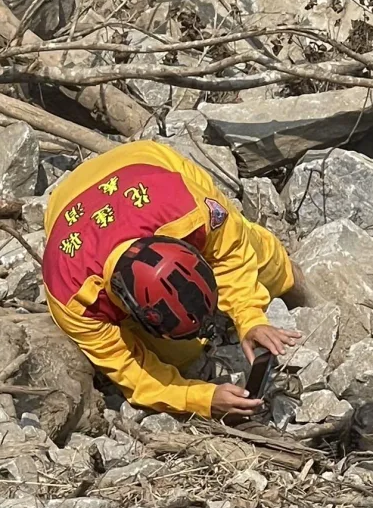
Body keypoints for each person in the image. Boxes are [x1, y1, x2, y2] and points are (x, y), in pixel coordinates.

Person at [41, 140, 307, 418]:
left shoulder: (189, 210)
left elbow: (232, 249)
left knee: (263, 259)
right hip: (65, 204)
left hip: (146, 162)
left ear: (190, 248)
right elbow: (135, 375)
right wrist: (200, 398)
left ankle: (293, 277)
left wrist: (250, 317)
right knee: (181, 357)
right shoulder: (73, 296)